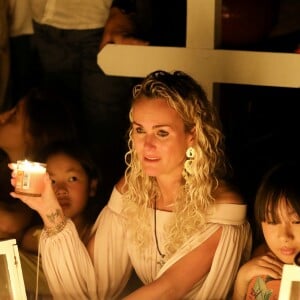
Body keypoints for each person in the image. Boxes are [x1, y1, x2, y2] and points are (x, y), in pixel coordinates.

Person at [10, 70, 252, 299]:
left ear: (193, 135)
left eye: (162, 133)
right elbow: (90, 285)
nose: (146, 145)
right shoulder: (131, 190)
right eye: (139, 130)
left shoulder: (223, 204)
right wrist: (48, 208)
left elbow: (169, 290)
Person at [19, 141, 102, 299]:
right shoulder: (33, 240)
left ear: (92, 185)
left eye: (72, 179)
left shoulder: (102, 237)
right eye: (51, 181)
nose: (61, 190)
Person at [0, 87, 81, 242]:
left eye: (13, 117)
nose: (2, 117)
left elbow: (9, 223)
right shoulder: (5, 172)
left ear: (33, 136)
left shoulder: (43, 187)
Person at [232, 161, 300, 299]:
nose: (284, 236)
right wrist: (242, 279)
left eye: (296, 221)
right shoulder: (262, 258)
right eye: (272, 221)